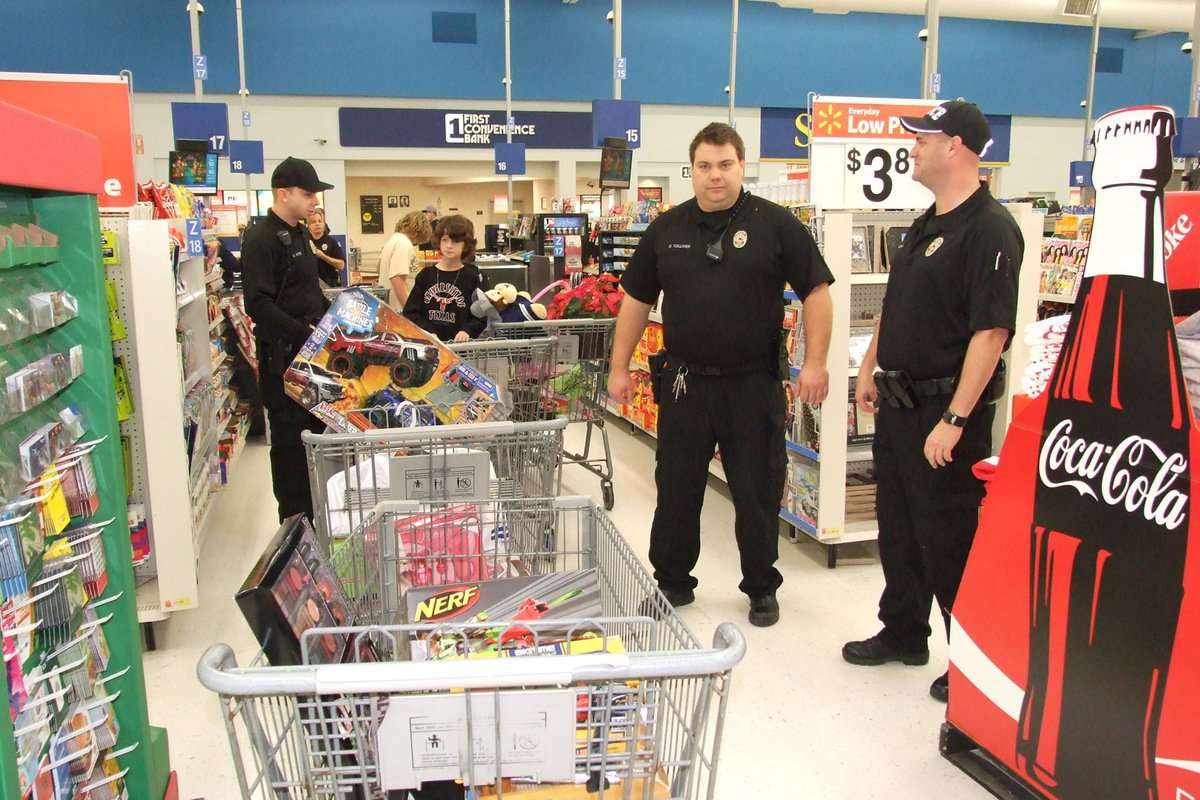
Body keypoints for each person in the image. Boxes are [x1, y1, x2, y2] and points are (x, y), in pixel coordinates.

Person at [607, 122, 834, 628]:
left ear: (741, 166)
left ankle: (760, 587)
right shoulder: (666, 230)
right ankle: (672, 582)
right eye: (705, 166)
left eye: (725, 164)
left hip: (752, 383)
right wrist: (618, 366)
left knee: (758, 489)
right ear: (691, 170)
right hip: (685, 383)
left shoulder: (776, 224)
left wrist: (815, 362)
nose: (715, 176)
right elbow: (637, 301)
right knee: (677, 486)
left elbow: (817, 291)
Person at [840, 100, 1023, 703]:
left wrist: (954, 418)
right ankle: (903, 632)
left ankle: (970, 661)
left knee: (949, 539)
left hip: (944, 414)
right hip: (897, 405)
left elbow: (990, 333)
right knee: (898, 529)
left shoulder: (991, 228)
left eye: (923, 138)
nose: (912, 148)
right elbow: (895, 304)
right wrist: (868, 366)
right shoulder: (926, 223)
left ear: (958, 147)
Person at [242, 156, 334, 522]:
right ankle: (296, 529)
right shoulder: (262, 238)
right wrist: (304, 333)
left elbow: (308, 291)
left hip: (313, 362)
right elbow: (258, 304)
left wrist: (335, 320)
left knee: (317, 445)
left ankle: (321, 521)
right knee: (291, 454)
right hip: (283, 364)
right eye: (308, 193)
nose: (315, 201)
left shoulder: (298, 233)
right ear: (283, 194)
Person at [403, 215, 487, 342]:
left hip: (461, 350)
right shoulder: (425, 275)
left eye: (455, 241)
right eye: (445, 240)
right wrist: (428, 332)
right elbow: (410, 313)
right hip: (429, 346)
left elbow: (481, 317)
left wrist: (467, 330)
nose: (449, 245)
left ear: (466, 244)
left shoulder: (472, 278)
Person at [379, 210, 433, 308]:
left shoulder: (393, 240)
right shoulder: (404, 245)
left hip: (390, 304)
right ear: (418, 232)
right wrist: (408, 308)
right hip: (398, 307)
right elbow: (397, 278)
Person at [306, 207, 345, 287]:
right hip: (310, 285)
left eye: (320, 221)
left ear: (324, 224)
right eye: (313, 222)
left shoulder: (332, 243)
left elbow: (341, 265)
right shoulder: (305, 243)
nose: (317, 224)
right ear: (309, 226)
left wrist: (323, 256)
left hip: (329, 283)